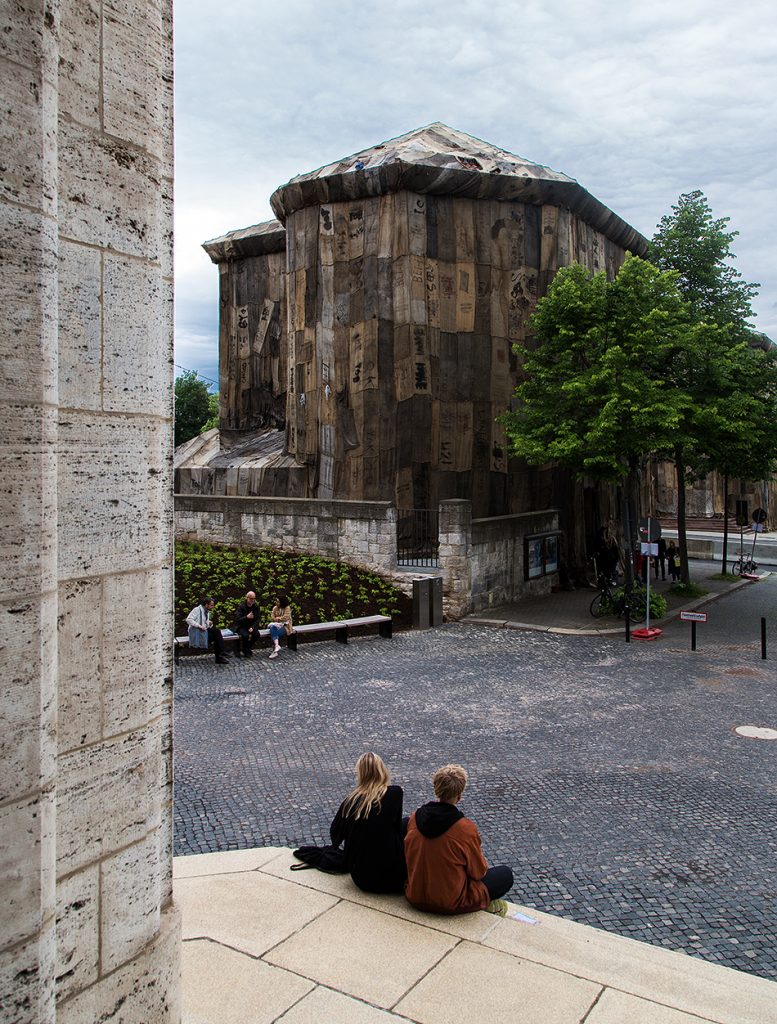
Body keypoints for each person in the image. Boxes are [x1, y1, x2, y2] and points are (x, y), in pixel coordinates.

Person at [404, 764, 513, 916]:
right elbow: (478, 872)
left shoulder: (415, 818)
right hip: (449, 901)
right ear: (459, 795)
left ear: (436, 789)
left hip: (415, 894)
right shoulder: (465, 829)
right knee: (505, 875)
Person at [329, 752, 407, 894]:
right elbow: (394, 827)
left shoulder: (350, 802)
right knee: (408, 822)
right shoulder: (395, 793)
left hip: (361, 878)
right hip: (393, 877)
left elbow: (335, 834)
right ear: (381, 770)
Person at [186, 597, 229, 664]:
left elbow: (205, 624)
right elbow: (188, 620)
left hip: (203, 631)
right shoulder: (197, 610)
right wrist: (199, 626)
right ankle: (220, 655)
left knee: (217, 632)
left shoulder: (207, 612)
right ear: (206, 605)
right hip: (196, 633)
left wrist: (209, 623)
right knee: (216, 636)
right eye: (211, 605)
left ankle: (221, 654)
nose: (213, 606)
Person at [233, 590, 260, 657]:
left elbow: (257, 619)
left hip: (251, 626)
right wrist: (247, 617)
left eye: (254, 599)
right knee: (245, 636)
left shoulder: (256, 607)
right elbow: (237, 620)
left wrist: (253, 627)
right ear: (247, 598)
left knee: (256, 634)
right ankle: (246, 649)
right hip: (241, 626)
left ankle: (247, 648)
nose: (252, 600)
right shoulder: (241, 607)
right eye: (251, 598)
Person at [268, 593, 293, 658]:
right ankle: (276, 646)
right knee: (273, 628)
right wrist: (279, 619)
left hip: (286, 626)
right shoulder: (275, 608)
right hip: (276, 625)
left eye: (278, 601)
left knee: (273, 632)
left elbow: (286, 618)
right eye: (276, 601)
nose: (276, 602)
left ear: (282, 602)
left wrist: (277, 619)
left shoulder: (287, 608)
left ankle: (275, 651)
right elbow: (272, 617)